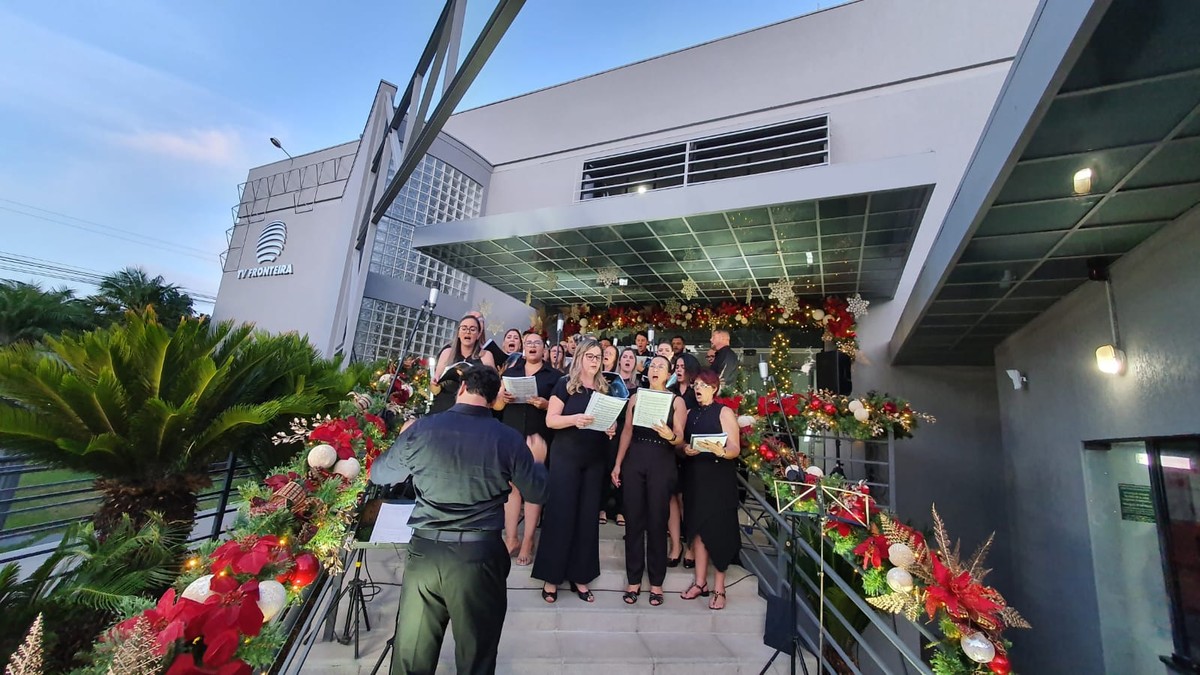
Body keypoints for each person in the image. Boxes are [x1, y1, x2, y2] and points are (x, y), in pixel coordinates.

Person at [373, 365, 548, 674]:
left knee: (412, 656)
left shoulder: (423, 428)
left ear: (462, 387)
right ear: (495, 400)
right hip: (478, 558)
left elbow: (380, 474)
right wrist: (538, 462)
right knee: (476, 657)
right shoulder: (507, 438)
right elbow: (537, 493)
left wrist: (403, 438)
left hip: (425, 554)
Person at [532, 338, 618, 604]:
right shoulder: (565, 384)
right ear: (580, 357)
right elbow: (551, 419)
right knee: (561, 515)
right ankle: (551, 578)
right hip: (566, 456)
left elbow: (605, 421)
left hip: (594, 458)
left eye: (598, 357)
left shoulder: (605, 388)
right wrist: (574, 420)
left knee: (587, 517)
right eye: (590, 356)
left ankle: (581, 577)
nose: (594, 361)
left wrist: (609, 428)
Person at [611, 355, 687, 607]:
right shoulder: (636, 397)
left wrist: (670, 434)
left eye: (661, 367)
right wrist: (618, 463)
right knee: (634, 520)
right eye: (652, 365)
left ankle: (656, 582)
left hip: (661, 461)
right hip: (635, 459)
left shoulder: (676, 401)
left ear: (668, 374)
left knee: (657, 520)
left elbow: (679, 438)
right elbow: (627, 432)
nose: (655, 369)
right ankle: (633, 580)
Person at [494, 332, 562, 565]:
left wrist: (545, 405)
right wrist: (502, 397)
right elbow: (497, 406)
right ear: (523, 347)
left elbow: (558, 409)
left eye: (537, 343)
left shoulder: (554, 376)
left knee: (533, 489)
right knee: (511, 488)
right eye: (529, 343)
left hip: (538, 438)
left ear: (544, 349)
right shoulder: (511, 372)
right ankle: (511, 537)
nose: (532, 346)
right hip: (511, 435)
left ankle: (528, 540)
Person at [678, 369, 742, 610]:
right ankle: (700, 582)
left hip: (719, 480)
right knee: (697, 532)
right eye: (695, 384)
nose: (698, 389)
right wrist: (684, 449)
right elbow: (679, 442)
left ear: (714, 388)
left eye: (704, 385)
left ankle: (720, 588)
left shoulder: (724, 412)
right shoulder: (691, 413)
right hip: (695, 478)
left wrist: (722, 452)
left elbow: (735, 446)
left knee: (719, 532)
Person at [668, 352, 702, 567]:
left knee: (686, 500)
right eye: (676, 366)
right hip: (670, 450)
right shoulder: (669, 391)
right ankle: (675, 546)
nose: (679, 369)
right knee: (671, 497)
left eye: (682, 366)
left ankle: (690, 546)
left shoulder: (697, 391)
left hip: (692, 451)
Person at [429, 315, 496, 414]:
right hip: (444, 405)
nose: (467, 332)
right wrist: (434, 381)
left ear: (478, 335)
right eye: (464, 328)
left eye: (472, 329)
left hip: (472, 407)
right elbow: (436, 385)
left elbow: (492, 384)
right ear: (458, 333)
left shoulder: (485, 355)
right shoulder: (447, 352)